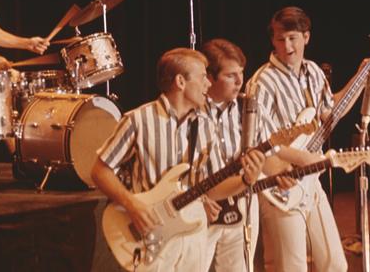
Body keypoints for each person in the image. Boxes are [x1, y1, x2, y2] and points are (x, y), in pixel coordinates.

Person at [91, 47, 266, 271]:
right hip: (151, 233)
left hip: (192, 234)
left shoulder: (205, 126)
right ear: (180, 82)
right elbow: (100, 171)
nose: (208, 84)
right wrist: (131, 204)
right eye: (203, 77)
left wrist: (245, 181)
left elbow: (212, 186)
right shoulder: (138, 120)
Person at [246, 6, 370, 272]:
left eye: (293, 37)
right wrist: (304, 158)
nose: (287, 46)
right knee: (290, 266)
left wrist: (361, 78)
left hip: (311, 178)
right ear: (272, 40)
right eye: (280, 39)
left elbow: (331, 113)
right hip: (278, 183)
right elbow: (259, 141)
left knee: (336, 264)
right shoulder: (262, 81)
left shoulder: (314, 72)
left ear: (306, 37)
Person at [200, 38, 321, 272]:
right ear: (210, 77)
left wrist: (283, 174)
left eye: (241, 73)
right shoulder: (194, 111)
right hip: (203, 207)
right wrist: (199, 199)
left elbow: (268, 155)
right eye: (230, 76)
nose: (239, 82)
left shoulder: (249, 109)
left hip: (241, 204)